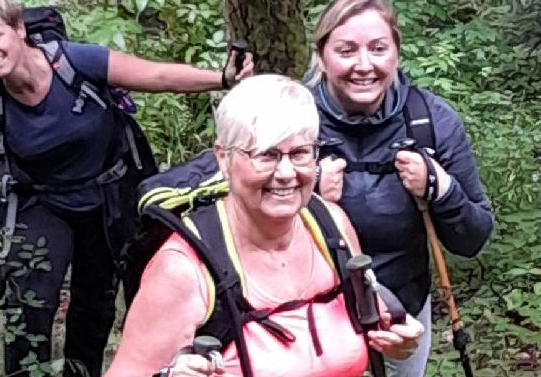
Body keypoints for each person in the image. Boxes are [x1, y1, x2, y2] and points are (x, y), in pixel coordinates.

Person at [0, 0, 252, 377]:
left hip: (107, 195)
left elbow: (157, 74)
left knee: (93, 306)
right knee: (29, 301)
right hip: (42, 201)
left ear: (18, 30)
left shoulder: (75, 62)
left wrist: (223, 78)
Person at [104, 74, 425, 377]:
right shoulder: (183, 270)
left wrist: (397, 340)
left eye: (300, 153)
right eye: (266, 155)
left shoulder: (331, 226)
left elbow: (364, 330)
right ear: (223, 158)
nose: (286, 172)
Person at [304, 0, 497, 376]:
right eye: (346, 50)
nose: (364, 65)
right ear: (321, 57)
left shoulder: (429, 121)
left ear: (396, 53)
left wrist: (440, 188)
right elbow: (243, 234)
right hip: (308, 318)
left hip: (402, 314)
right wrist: (308, 202)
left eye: (378, 48)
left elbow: (473, 238)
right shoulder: (292, 120)